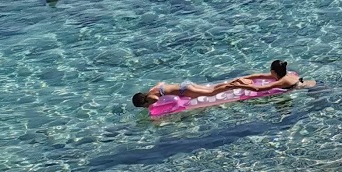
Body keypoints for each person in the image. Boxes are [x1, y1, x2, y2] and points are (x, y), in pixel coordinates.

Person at [131, 60, 312, 108]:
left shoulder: (152, 96)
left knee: (211, 94)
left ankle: (230, 86)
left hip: (304, 87)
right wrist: (243, 78)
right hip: (185, 84)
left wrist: (239, 86)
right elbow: (162, 83)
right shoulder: (153, 89)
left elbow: (259, 88)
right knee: (211, 89)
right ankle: (230, 84)